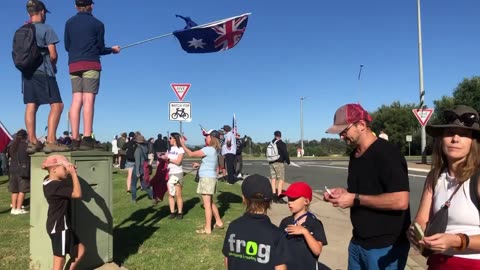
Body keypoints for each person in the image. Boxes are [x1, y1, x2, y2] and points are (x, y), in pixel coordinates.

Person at [323, 103, 411, 270]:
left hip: (385, 247)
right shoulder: (354, 155)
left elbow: (401, 201)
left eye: (344, 130)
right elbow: (364, 191)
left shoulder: (387, 154)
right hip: (358, 242)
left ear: (361, 125)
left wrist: (354, 199)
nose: (341, 136)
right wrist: (344, 193)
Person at [408, 105, 480, 269]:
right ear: (441, 140)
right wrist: (415, 232)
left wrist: (457, 240)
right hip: (437, 263)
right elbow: (422, 219)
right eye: (449, 133)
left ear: (473, 142)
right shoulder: (434, 176)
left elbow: (457, 241)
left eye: (463, 134)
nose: (455, 139)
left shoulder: (477, 178)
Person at [64, 0, 120, 150]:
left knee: (76, 99)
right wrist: (112, 50)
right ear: (91, 6)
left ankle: (75, 139)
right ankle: (87, 138)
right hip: (91, 64)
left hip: (74, 64)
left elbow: (66, 46)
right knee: (88, 99)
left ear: (76, 6)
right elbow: (100, 48)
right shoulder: (98, 24)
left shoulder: (69, 23)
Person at [23, 0, 69, 154]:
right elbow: (53, 55)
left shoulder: (23, 29)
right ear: (42, 12)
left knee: (31, 105)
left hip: (27, 74)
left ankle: (32, 141)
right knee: (57, 105)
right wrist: (53, 65)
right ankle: (50, 141)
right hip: (44, 72)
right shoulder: (46, 29)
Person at [222, 174, 290, 269]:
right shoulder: (276, 234)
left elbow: (227, 261)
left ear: (243, 198)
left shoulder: (233, 226)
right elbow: (280, 267)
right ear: (270, 200)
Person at [41, 154, 84, 269]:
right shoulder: (55, 187)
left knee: (80, 250)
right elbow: (77, 194)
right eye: (64, 168)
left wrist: (66, 169)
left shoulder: (47, 181)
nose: (67, 171)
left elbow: (58, 180)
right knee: (60, 258)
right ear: (54, 170)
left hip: (59, 225)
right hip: (60, 226)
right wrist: (74, 175)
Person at [180, 130, 224, 234]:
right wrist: (200, 165)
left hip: (206, 179)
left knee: (206, 205)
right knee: (210, 202)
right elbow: (211, 165)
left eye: (207, 136)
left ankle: (207, 228)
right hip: (211, 177)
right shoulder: (213, 150)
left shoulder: (208, 149)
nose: (206, 138)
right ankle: (218, 222)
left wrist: (183, 144)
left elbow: (190, 154)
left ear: (212, 138)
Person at [279, 182, 328, 269]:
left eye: (293, 199)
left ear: (306, 201)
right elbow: (279, 248)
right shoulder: (285, 222)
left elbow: (317, 251)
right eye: (289, 199)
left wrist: (305, 232)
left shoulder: (315, 223)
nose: (289, 202)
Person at [160, 133, 185, 219]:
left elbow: (178, 162)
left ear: (175, 139)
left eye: (170, 138)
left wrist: (168, 159)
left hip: (177, 173)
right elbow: (167, 160)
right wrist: (163, 158)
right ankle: (172, 212)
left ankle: (180, 212)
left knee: (178, 194)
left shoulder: (180, 149)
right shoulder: (169, 150)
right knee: (170, 194)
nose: (169, 139)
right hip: (170, 173)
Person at [8, 130, 30, 215]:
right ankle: (19, 208)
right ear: (25, 136)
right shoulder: (26, 146)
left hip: (12, 169)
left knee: (14, 190)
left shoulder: (12, 145)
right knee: (22, 190)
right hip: (22, 170)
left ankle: (13, 208)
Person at [269, 130, 290, 204]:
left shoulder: (271, 143)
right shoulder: (281, 143)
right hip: (279, 163)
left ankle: (273, 195)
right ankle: (279, 196)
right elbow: (285, 153)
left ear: (274, 135)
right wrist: (288, 161)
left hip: (271, 162)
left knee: (273, 179)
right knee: (281, 180)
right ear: (280, 136)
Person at [131, 135, 152, 203]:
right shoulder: (145, 148)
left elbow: (137, 161)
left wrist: (137, 172)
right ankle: (152, 195)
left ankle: (134, 199)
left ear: (137, 142)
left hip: (138, 167)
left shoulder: (138, 150)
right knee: (145, 185)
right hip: (144, 168)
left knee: (133, 184)